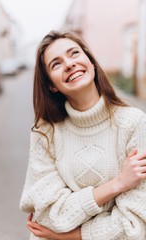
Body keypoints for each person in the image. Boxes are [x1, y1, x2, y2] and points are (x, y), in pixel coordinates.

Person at [20, 30, 146, 240]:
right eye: (56, 64)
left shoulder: (133, 124)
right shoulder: (45, 132)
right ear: (51, 85)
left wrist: (72, 235)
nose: (69, 64)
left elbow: (135, 225)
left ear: (91, 62)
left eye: (74, 53)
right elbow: (47, 215)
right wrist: (116, 185)